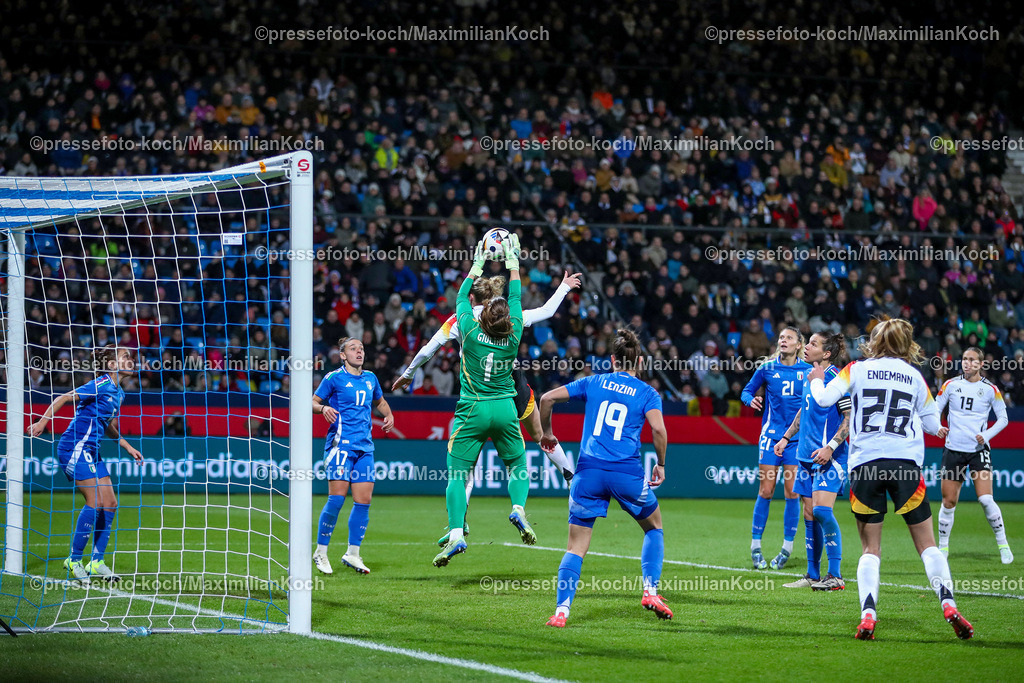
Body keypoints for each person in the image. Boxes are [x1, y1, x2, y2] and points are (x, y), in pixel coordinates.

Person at [810, 318, 973, 640]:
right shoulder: (914, 376)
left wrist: (817, 379)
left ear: (874, 341)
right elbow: (930, 423)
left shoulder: (855, 369)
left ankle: (868, 614)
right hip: (906, 465)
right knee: (927, 545)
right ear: (905, 342)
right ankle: (949, 604)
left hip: (866, 466)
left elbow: (824, 400)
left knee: (871, 548)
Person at [394, 270, 582, 545]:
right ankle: (568, 475)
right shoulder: (507, 316)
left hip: (481, 395)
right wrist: (564, 287)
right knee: (539, 436)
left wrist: (409, 373)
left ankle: (458, 525)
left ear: (471, 297)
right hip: (514, 387)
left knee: (463, 467)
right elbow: (545, 311)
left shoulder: (462, 319)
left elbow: (427, 350)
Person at [538, 328, 670, 626]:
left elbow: (546, 399)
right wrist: (661, 464)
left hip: (589, 474)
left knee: (575, 547)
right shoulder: (648, 393)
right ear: (639, 362)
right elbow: (659, 430)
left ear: (613, 359)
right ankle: (650, 591)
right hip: (627, 474)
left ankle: (561, 611)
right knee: (654, 528)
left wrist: (547, 433)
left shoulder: (594, 381)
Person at [433, 232, 532, 567]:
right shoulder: (515, 332)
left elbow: (462, 295)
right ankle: (518, 509)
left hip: (472, 408)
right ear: (506, 319)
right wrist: (513, 261)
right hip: (505, 408)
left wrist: (478, 262)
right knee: (517, 465)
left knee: (458, 475)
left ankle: (457, 534)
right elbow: (516, 295)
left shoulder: (471, 333)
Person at [29, 346, 143, 580]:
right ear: (112, 365)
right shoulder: (101, 384)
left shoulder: (119, 393)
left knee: (110, 503)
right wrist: (42, 422)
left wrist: (128, 447)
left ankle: (97, 562)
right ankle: (73, 560)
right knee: (95, 501)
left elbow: (107, 425)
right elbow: (63, 397)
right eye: (125, 357)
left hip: (91, 450)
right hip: (74, 447)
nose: (131, 360)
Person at [312, 337, 395, 575]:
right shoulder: (334, 378)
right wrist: (324, 408)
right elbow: (312, 402)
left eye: (361, 348)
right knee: (337, 499)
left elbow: (380, 402)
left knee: (363, 501)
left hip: (364, 447)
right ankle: (320, 551)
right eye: (353, 348)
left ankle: (353, 553)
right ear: (343, 355)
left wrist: (388, 415)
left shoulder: (371, 378)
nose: (359, 352)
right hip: (340, 446)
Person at [776, 332, 850, 590]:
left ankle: (836, 575)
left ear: (826, 353)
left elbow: (848, 418)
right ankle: (812, 575)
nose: (806, 347)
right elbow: (803, 411)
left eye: (813, 344)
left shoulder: (836, 380)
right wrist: (786, 437)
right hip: (806, 456)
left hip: (830, 457)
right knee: (808, 513)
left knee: (820, 510)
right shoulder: (812, 377)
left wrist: (831, 447)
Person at [740, 327, 811, 570]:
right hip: (771, 438)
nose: (783, 340)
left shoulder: (809, 371)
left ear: (799, 344)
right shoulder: (767, 368)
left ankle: (787, 547)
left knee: (792, 493)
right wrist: (751, 400)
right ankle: (755, 546)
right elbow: (746, 391)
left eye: (789, 338)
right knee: (766, 490)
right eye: (781, 337)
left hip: (797, 440)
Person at [934, 347, 1012, 563]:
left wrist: (986, 435)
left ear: (980, 364)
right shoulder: (950, 385)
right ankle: (943, 548)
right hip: (953, 450)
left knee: (986, 499)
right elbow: (934, 410)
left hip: (978, 451)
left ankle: (1003, 544)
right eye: (964, 359)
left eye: (971, 360)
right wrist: (936, 428)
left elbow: (1003, 419)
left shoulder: (990, 389)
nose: (966, 363)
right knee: (949, 502)